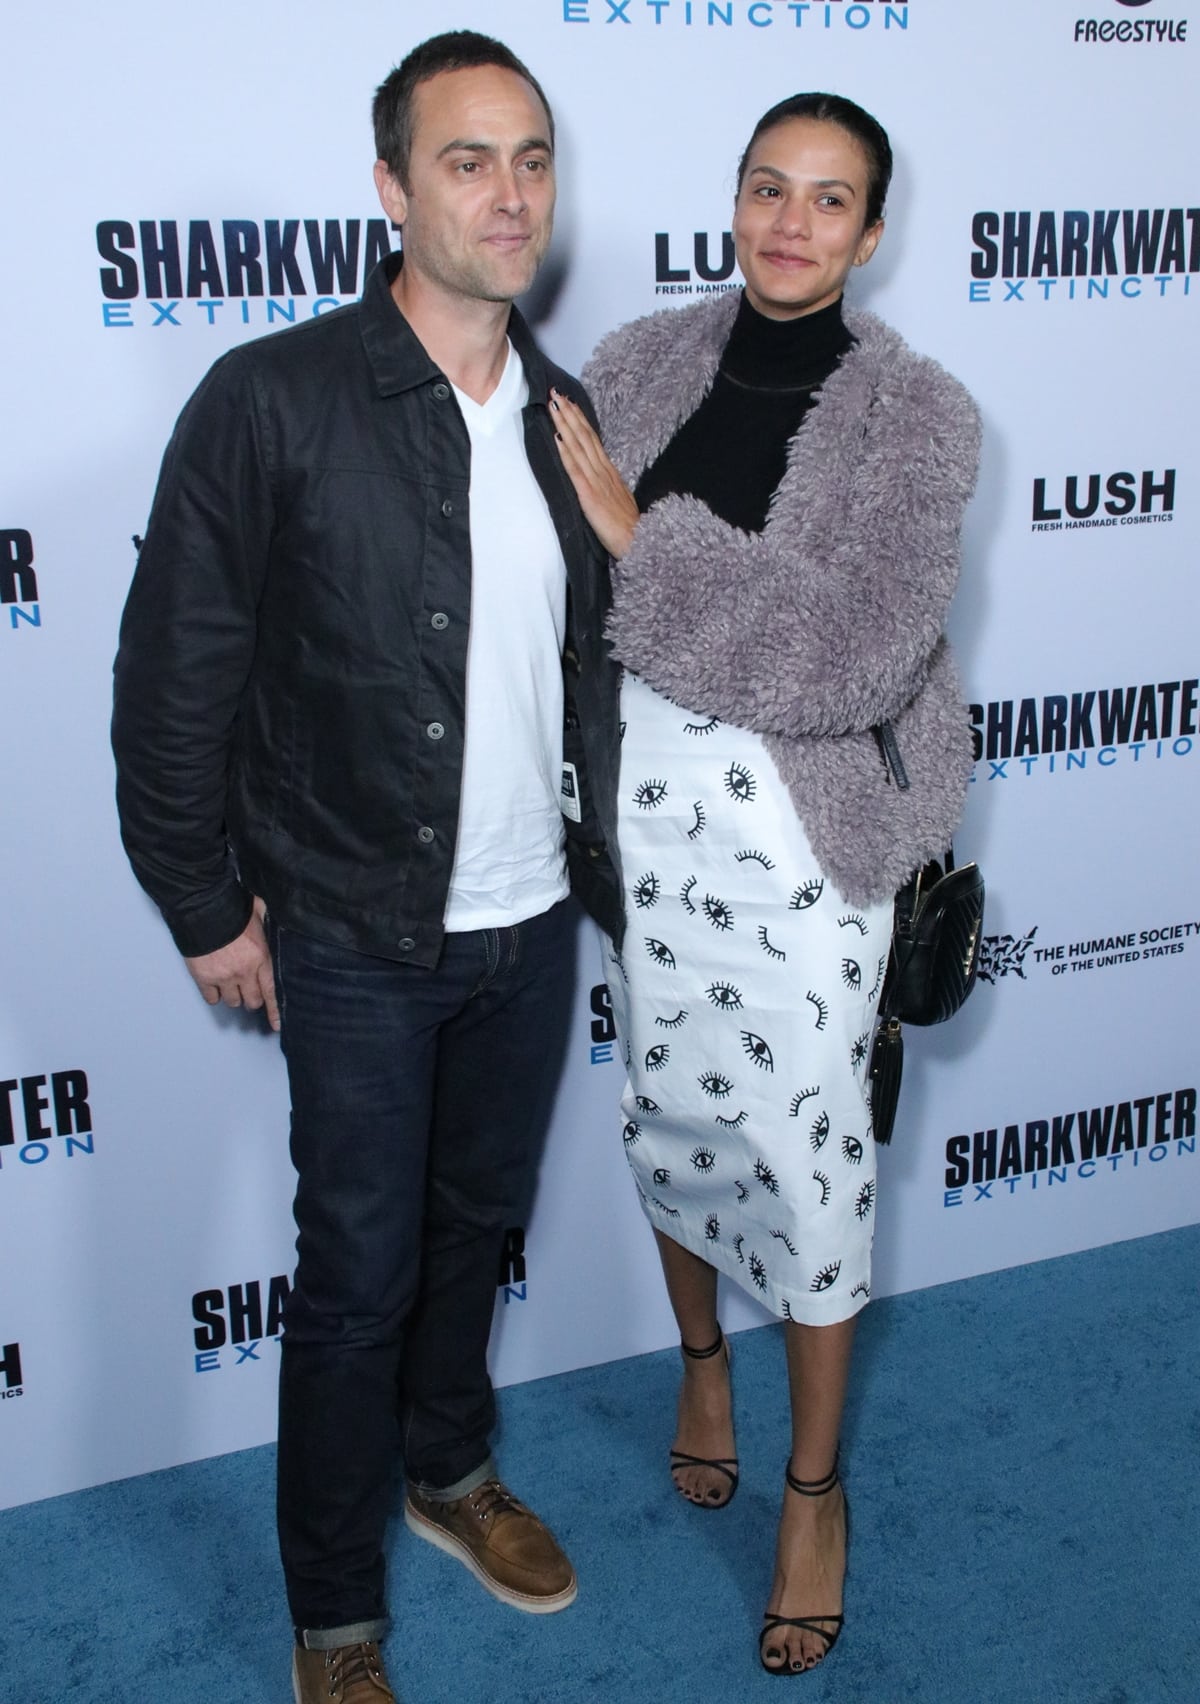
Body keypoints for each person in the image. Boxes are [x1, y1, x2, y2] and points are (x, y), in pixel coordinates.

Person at [112, 31, 622, 1704]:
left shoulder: (571, 415)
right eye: (465, 160)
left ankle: (452, 1473)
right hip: (342, 927)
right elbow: (173, 673)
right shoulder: (272, 398)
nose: (508, 193)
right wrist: (204, 902)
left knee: (476, 1228)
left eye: (530, 157)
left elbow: (602, 673)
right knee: (355, 1281)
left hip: (526, 924)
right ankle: (335, 1621)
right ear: (392, 188)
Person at [552, 93, 980, 1676]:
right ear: (732, 201)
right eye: (766, 190)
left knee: (805, 1161)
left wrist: (643, 540)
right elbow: (555, 594)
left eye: (830, 200)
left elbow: (851, 656)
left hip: (800, 835)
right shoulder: (638, 367)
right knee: (669, 1106)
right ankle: (698, 1361)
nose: (791, 224)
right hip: (643, 814)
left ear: (873, 233)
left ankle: (813, 1491)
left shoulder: (921, 416)